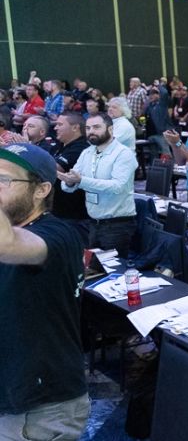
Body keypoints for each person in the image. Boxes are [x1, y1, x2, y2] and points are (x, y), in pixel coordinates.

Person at [0, 143, 89, 440]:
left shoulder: (59, 235)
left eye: (2, 180)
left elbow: (8, 244)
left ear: (41, 190)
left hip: (41, 409)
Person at [58, 113, 137, 257]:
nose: (91, 131)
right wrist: (68, 182)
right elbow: (69, 186)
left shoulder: (123, 154)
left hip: (117, 224)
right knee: (95, 270)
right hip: (93, 223)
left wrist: (81, 181)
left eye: (96, 127)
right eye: (88, 128)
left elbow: (117, 186)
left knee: (114, 273)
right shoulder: (87, 152)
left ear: (110, 129)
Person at [49, 112, 89, 237]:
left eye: (60, 124)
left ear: (75, 127)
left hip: (73, 215)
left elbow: (53, 168)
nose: (55, 128)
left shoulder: (82, 147)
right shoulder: (59, 146)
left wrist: (28, 149)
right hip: (58, 210)